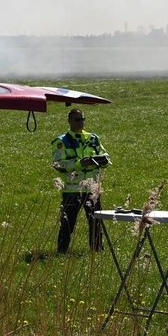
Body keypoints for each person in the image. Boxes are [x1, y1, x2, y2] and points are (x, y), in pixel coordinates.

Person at [52, 108, 110, 254]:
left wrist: (102, 161)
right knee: (68, 222)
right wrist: (78, 164)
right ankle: (61, 251)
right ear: (69, 121)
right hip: (72, 190)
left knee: (96, 221)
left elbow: (106, 156)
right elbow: (58, 165)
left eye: (82, 119)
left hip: (92, 187)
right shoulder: (61, 141)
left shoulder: (93, 138)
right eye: (77, 120)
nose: (80, 123)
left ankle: (97, 250)